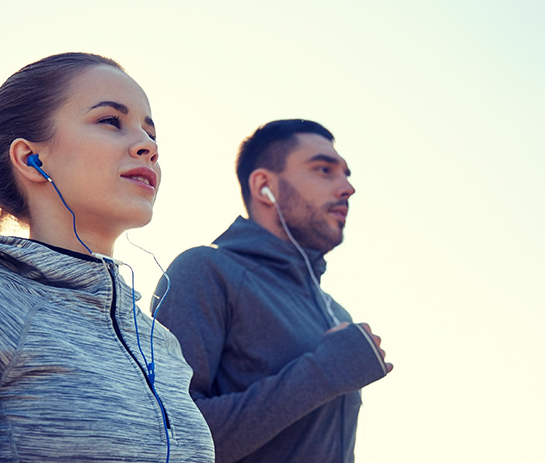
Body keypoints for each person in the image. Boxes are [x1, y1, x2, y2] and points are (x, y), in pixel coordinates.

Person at [0, 52, 215, 462]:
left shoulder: (160, 343)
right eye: (111, 121)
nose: (148, 146)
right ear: (30, 159)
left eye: (151, 132)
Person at [151, 119, 392, 463]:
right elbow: (168, 434)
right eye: (324, 170)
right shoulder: (205, 271)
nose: (347, 188)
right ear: (264, 185)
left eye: (347, 174)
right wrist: (324, 372)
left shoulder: (336, 313)